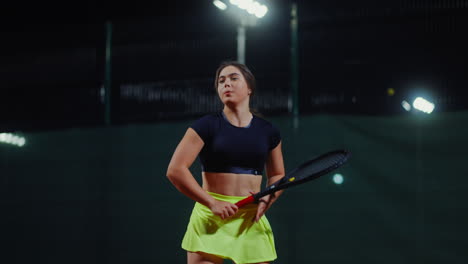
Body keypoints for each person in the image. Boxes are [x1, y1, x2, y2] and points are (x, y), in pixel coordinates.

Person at [166, 61, 285, 264]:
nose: (226, 84)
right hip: (210, 217)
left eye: (233, 78)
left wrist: (268, 198)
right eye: (221, 81)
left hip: (250, 219)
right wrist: (212, 203)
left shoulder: (268, 131)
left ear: (249, 88)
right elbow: (175, 170)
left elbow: (277, 175)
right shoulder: (205, 126)